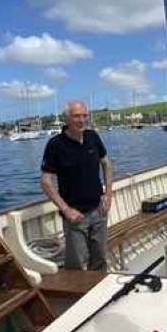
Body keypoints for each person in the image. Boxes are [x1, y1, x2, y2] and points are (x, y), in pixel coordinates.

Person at [40, 101, 113, 272]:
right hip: (75, 217)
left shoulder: (92, 137)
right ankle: (81, 297)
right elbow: (45, 181)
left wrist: (108, 196)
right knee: (77, 267)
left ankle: (100, 296)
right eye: (76, 116)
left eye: (84, 116)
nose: (81, 120)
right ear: (66, 119)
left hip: (99, 211)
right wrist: (66, 210)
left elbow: (107, 164)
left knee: (101, 261)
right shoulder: (55, 145)